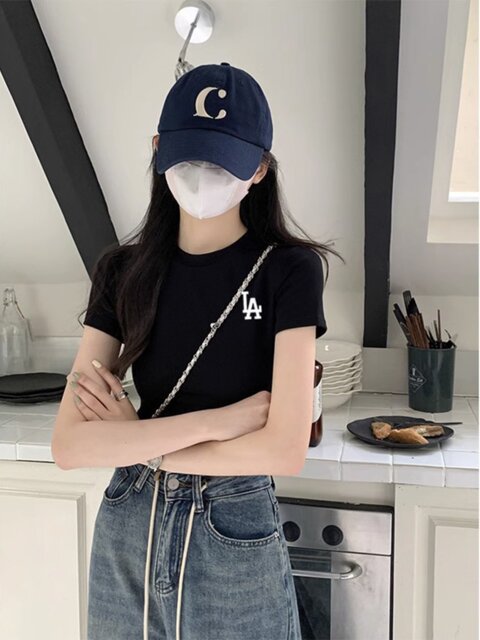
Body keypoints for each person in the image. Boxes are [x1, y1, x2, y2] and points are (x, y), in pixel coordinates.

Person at [52, 62, 344, 640]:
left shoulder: (289, 271)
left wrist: (139, 443)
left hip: (232, 525)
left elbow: (284, 449)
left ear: (259, 169)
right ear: (159, 149)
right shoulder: (121, 271)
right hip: (128, 525)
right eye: (189, 158)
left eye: (223, 162)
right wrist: (222, 422)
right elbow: (70, 445)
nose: (203, 175)